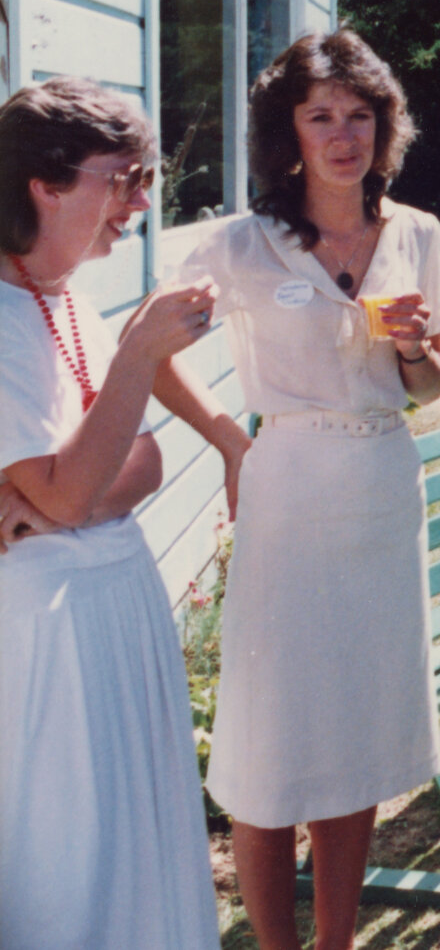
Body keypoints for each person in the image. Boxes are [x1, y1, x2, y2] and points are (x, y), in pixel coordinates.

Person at [170, 31, 440, 950]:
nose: (342, 135)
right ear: (286, 131)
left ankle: (336, 940)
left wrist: (413, 348)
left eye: (359, 115)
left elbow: (428, 387)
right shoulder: (241, 244)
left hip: (382, 492)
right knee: (268, 746)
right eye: (320, 115)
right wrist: (227, 437)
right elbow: (149, 348)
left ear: (384, 126)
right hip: (287, 496)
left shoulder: (416, 232)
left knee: (354, 739)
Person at [0, 79, 221, 949]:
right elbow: (74, 487)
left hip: (115, 614)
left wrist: (61, 501)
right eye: (126, 178)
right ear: (46, 184)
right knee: (70, 865)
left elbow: (143, 463)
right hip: (47, 645)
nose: (142, 201)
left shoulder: (66, 298)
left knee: (136, 853)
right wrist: (139, 354)